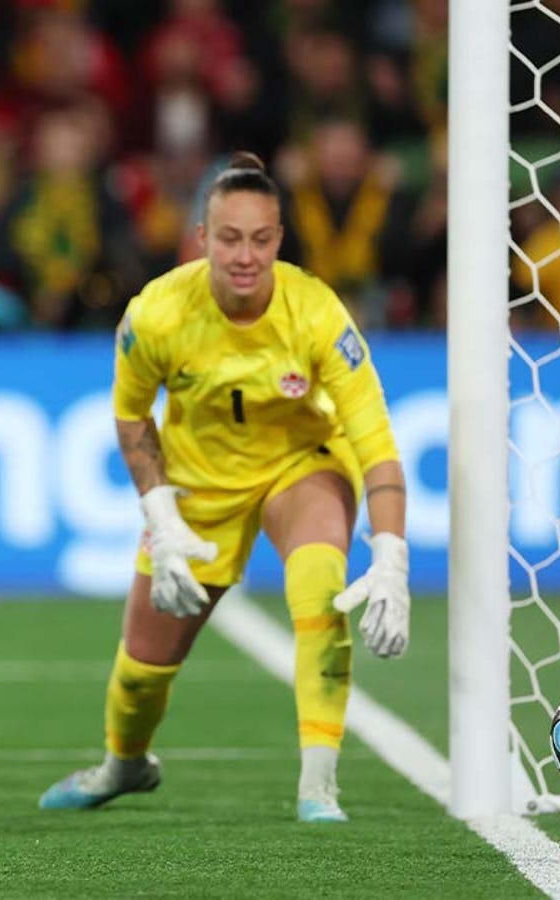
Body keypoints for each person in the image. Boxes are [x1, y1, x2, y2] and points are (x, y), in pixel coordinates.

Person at [37, 152, 409, 823]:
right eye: (230, 239)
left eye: (261, 240)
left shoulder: (318, 314)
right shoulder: (156, 316)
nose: (246, 256)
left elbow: (375, 444)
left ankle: (318, 785)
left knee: (319, 592)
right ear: (203, 238)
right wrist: (160, 515)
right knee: (143, 668)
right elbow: (131, 421)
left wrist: (390, 554)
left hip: (300, 464)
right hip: (194, 487)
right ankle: (124, 765)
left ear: (279, 241)